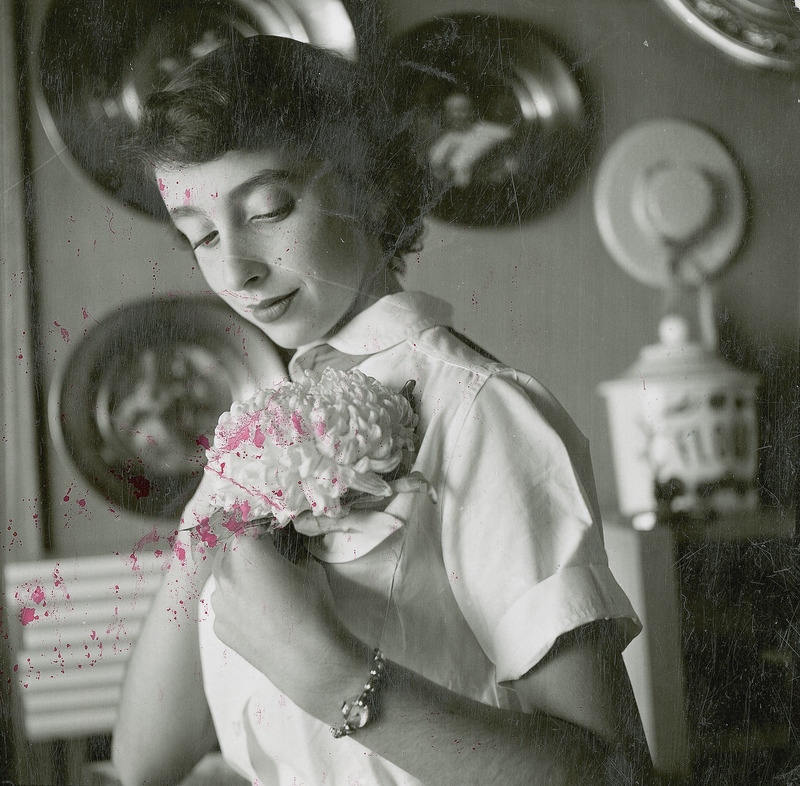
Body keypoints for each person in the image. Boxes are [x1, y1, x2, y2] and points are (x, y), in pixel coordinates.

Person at [112, 35, 652, 785]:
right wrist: (203, 524)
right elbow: (144, 764)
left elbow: (610, 775)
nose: (234, 269)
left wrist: (329, 675)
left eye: (268, 209)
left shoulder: (481, 414)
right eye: (198, 236)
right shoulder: (262, 431)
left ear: (369, 185)